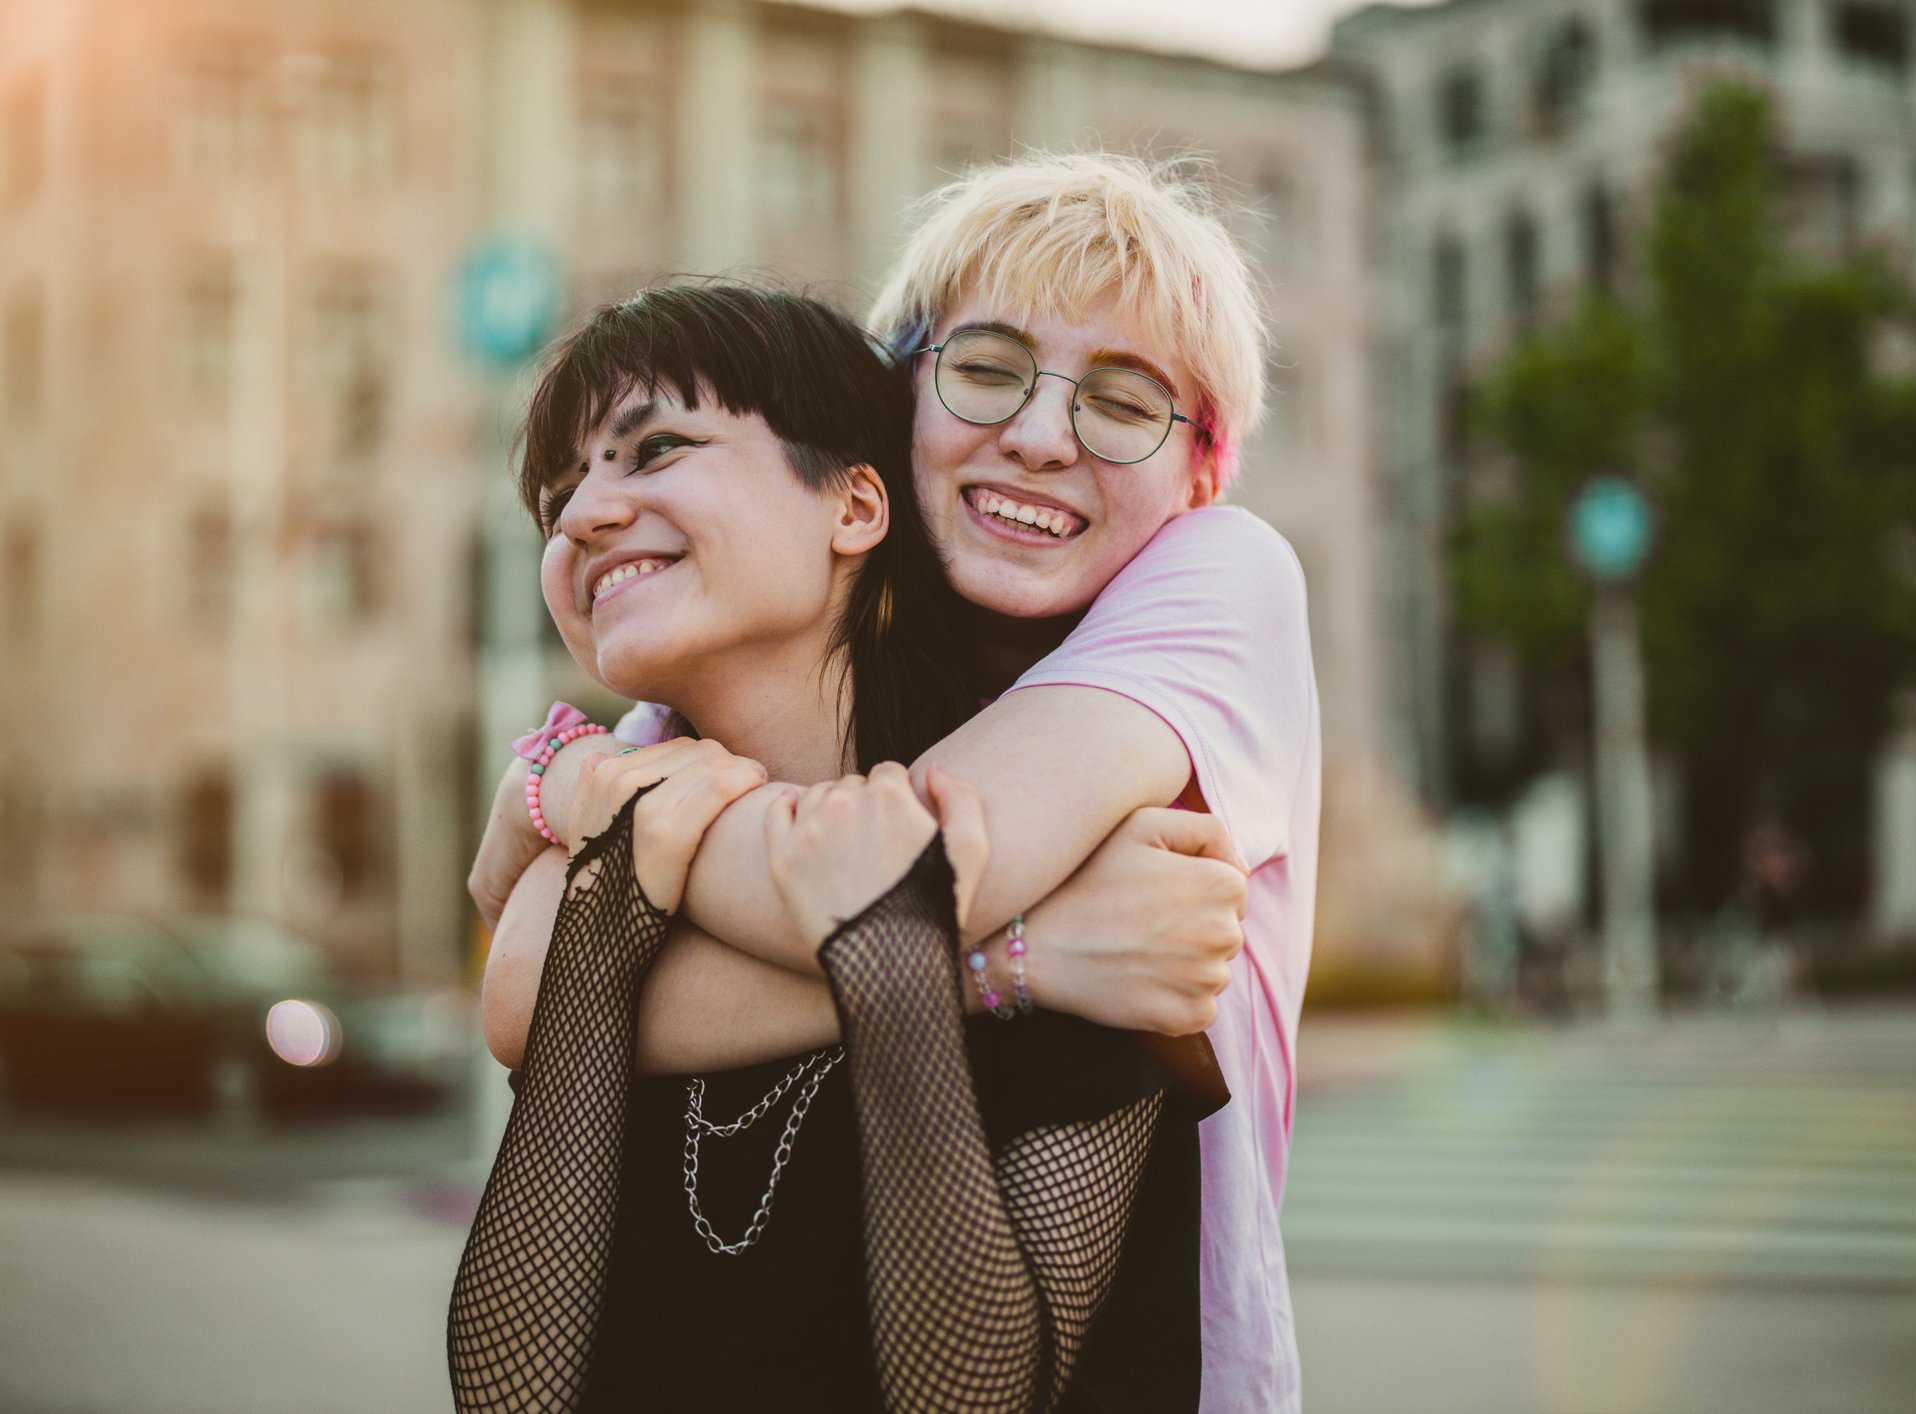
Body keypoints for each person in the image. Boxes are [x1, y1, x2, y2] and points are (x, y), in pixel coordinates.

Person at [478, 152, 1320, 1412]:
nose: (1038, 436)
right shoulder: (704, 713)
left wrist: (591, 807)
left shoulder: (1219, 587)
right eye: (985, 370)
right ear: (898, 402)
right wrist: (1018, 961)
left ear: (1202, 469)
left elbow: (928, 856)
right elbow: (526, 978)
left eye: (1124, 401)